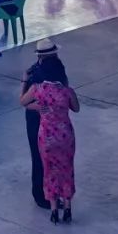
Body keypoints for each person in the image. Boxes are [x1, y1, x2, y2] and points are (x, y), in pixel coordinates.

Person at [20, 61, 79, 224]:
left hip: (46, 137)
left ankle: (53, 210)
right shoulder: (67, 91)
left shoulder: (38, 89)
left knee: (48, 171)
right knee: (67, 169)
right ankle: (67, 207)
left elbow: (23, 102)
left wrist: (36, 104)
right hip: (65, 136)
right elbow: (76, 108)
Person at [21, 39, 69, 209]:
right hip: (53, 121)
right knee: (51, 159)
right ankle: (47, 194)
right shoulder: (58, 70)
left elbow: (25, 100)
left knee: (39, 157)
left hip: (38, 119)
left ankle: (44, 194)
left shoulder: (33, 72)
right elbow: (65, 91)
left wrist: (24, 83)